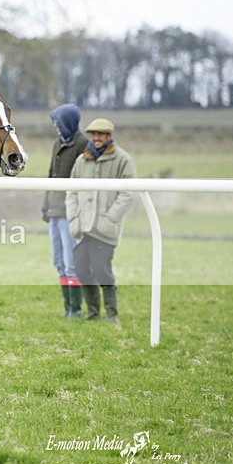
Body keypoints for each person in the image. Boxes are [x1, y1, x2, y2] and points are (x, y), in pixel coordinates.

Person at [65, 118, 137, 323]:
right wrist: (74, 218)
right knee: (80, 269)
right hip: (83, 227)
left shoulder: (123, 159)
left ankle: (112, 314)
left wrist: (110, 218)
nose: (96, 138)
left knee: (101, 269)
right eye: (94, 134)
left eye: (101, 134)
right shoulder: (82, 160)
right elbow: (71, 191)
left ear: (109, 136)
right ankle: (93, 314)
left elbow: (129, 193)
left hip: (105, 230)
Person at [42, 104, 87, 318]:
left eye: (57, 121)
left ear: (67, 122)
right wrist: (46, 205)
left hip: (71, 212)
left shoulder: (83, 144)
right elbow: (51, 175)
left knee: (71, 264)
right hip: (54, 210)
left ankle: (76, 310)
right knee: (58, 262)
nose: (54, 125)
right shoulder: (57, 143)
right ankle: (68, 307)